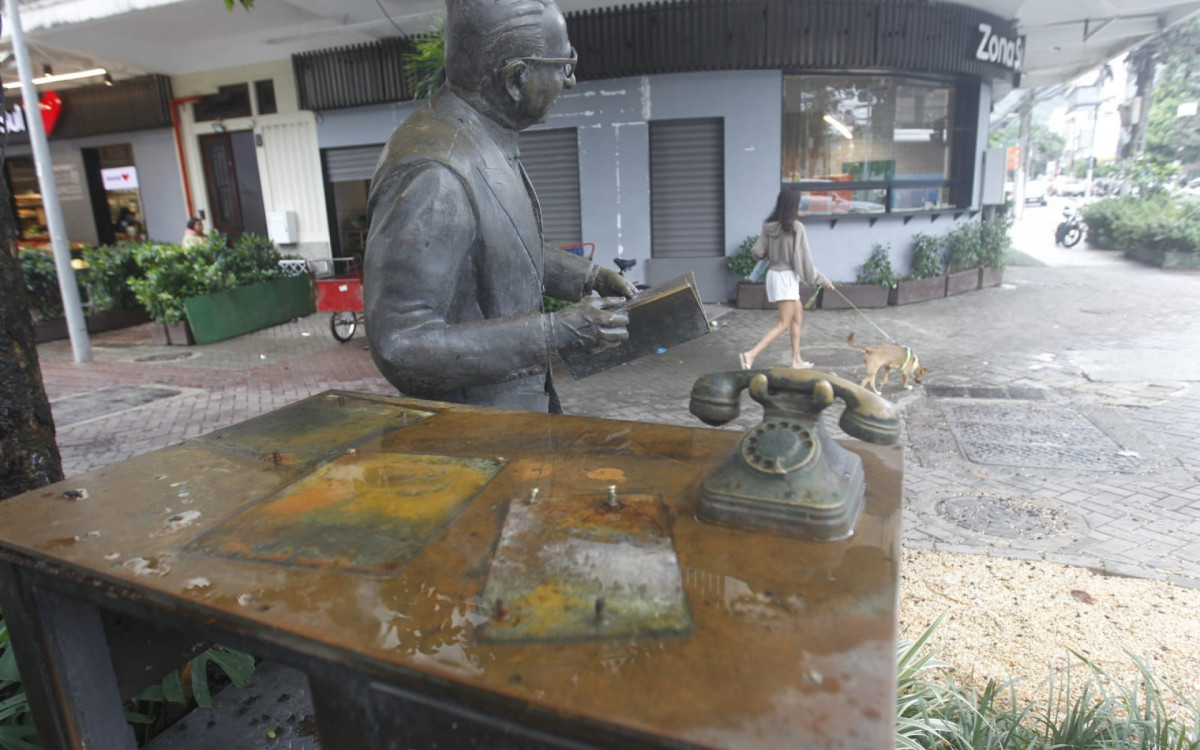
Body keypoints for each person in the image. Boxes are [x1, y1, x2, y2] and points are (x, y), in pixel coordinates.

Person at [364, 0, 636, 413]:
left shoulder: (482, 134)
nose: (571, 80)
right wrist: (554, 334)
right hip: (477, 432)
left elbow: (500, 244)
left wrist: (588, 275)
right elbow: (401, 345)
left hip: (512, 414)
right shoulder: (435, 174)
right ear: (515, 79)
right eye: (562, 65)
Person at [739, 189, 835, 370]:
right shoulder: (796, 228)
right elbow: (804, 261)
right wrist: (822, 280)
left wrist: (774, 250)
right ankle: (750, 355)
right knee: (783, 324)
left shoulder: (769, 226)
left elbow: (757, 252)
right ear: (793, 205)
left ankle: (796, 360)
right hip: (786, 278)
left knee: (797, 316)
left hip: (774, 275)